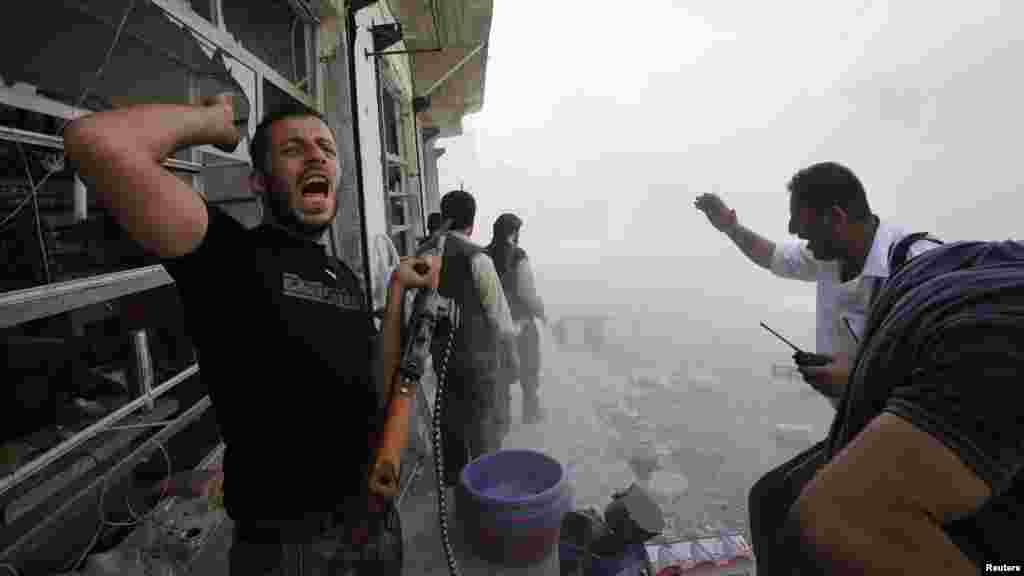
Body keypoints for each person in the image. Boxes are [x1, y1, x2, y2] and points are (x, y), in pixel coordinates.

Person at [65, 94, 431, 575]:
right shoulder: (229, 255)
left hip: (376, 528)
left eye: (325, 148)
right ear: (259, 181)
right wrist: (211, 123)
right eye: (294, 149)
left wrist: (398, 293)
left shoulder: (341, 275)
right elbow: (94, 142)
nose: (317, 155)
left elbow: (376, 385)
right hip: (291, 551)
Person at [694, 161, 942, 574]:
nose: (796, 235)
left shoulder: (918, 263)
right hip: (860, 422)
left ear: (837, 218)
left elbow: (950, 371)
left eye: (805, 227)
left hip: (916, 438)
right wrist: (732, 229)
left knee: (790, 511)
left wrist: (859, 376)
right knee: (771, 501)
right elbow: (773, 256)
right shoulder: (830, 254)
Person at [783, 240, 1024, 574]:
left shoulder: (944, 261)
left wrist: (857, 378)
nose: (800, 235)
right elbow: (848, 516)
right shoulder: (1009, 319)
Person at [433, 190, 519, 486]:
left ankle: (456, 494)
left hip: (441, 360)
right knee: (484, 431)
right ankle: (487, 493)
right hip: (478, 362)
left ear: (444, 217)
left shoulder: (427, 254)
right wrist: (512, 356)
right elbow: (499, 315)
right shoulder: (477, 258)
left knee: (451, 426)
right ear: (471, 222)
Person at [485, 213, 548, 427]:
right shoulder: (518, 256)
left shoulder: (484, 254)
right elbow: (526, 291)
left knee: (501, 375)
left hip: (495, 325)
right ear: (513, 232)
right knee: (529, 366)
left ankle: (502, 420)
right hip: (521, 323)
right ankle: (531, 410)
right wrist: (541, 312)